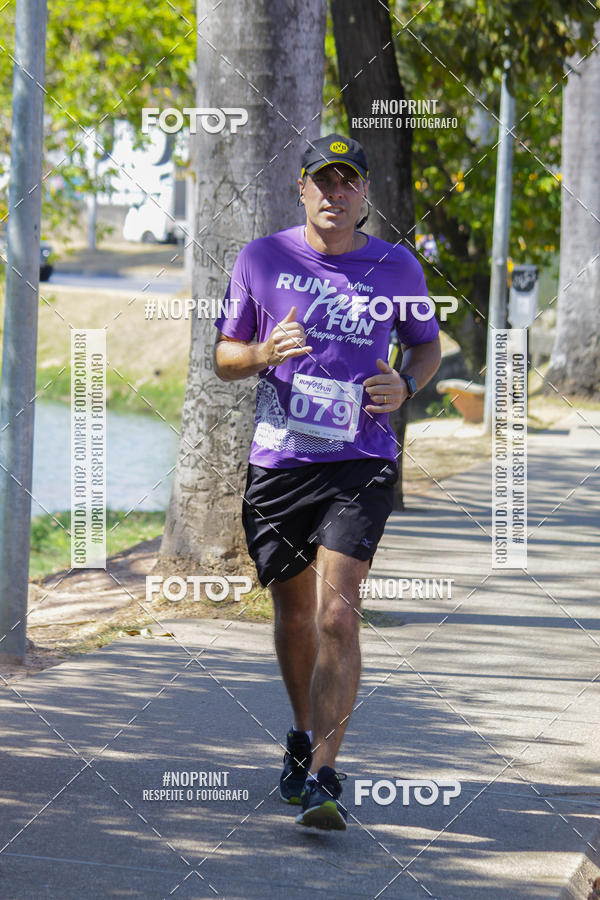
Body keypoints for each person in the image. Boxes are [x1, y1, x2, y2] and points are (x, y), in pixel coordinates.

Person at [214, 134, 441, 830]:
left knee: (338, 613)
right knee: (293, 616)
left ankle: (324, 776)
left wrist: (408, 384)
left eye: (349, 182)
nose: (335, 193)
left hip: (360, 459)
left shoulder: (396, 265)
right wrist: (263, 351)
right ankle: (301, 733)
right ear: (302, 189)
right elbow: (224, 357)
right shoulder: (261, 259)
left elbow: (427, 345)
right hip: (281, 464)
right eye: (323, 181)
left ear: (364, 193)